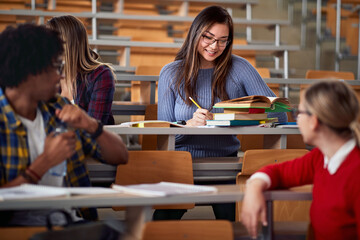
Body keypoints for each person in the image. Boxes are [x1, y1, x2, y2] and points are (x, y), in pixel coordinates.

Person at [157, 5, 287, 221]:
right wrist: (188, 125)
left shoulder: (240, 68)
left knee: (237, 227)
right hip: (181, 164)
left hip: (226, 167)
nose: (214, 46)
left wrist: (241, 118)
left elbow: (280, 113)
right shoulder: (171, 73)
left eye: (222, 40)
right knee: (160, 225)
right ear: (195, 33)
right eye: (208, 37)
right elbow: (161, 133)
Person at [0, 24, 128, 225]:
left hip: (72, 223)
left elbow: (121, 156)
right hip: (15, 231)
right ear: (29, 71)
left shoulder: (58, 109)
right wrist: (44, 162)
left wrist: (91, 125)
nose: (60, 76)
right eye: (56, 67)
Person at [241, 81, 360, 240]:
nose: (296, 120)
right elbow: (279, 171)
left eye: (298, 113)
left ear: (314, 121)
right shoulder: (320, 157)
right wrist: (254, 187)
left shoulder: (355, 172)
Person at [48, 15, 115, 125]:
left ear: (67, 44)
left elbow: (94, 126)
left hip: (87, 141)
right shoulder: (49, 76)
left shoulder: (101, 74)